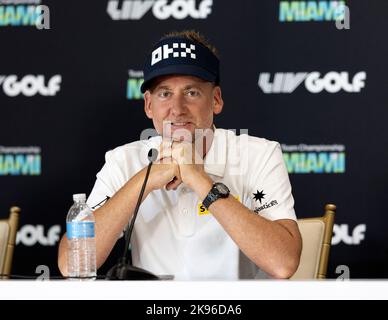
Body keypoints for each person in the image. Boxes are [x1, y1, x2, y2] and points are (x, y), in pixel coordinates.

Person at [58, 30, 302, 280]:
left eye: (192, 92)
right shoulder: (123, 161)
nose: (177, 108)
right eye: (165, 94)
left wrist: (200, 178)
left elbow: (283, 263)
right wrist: (146, 179)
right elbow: (70, 264)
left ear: (216, 100)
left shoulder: (259, 154)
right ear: (148, 105)